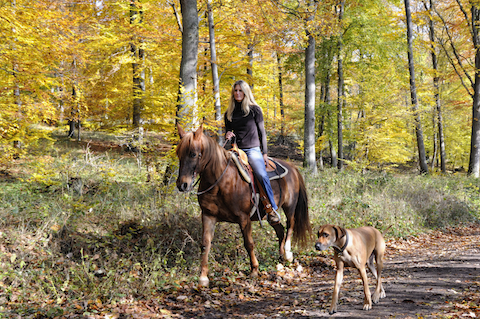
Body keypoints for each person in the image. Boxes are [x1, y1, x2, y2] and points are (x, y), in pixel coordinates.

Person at [224, 80, 281, 225]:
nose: (237, 93)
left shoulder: (255, 110)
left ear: (245, 92)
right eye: (235, 90)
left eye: (240, 90)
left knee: (261, 174)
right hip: (236, 149)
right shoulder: (229, 112)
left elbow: (262, 132)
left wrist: (265, 153)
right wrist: (228, 135)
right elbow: (229, 131)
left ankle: (271, 208)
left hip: (252, 149)